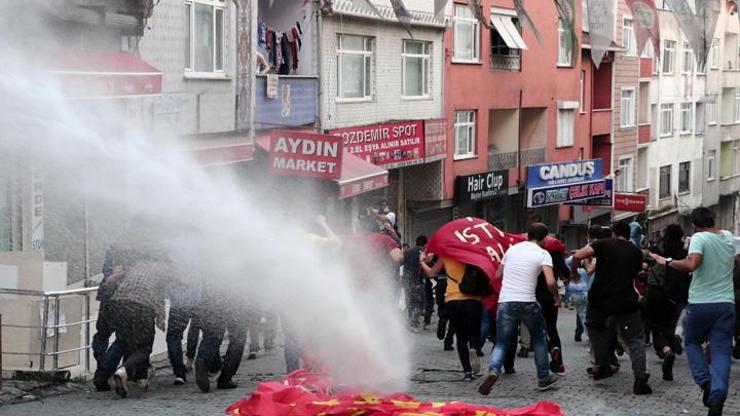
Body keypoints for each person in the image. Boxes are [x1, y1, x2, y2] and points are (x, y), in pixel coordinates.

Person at [650, 208, 736, 416]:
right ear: (712, 221)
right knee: (721, 350)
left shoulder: (699, 237)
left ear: (695, 225)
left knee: (691, 342)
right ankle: (718, 393)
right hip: (726, 304)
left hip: (701, 303)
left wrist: (668, 262)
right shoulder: (728, 237)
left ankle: (705, 383)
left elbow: (692, 264)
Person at [478, 223, 560, 395]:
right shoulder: (543, 253)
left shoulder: (512, 250)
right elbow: (551, 281)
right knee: (539, 339)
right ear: (544, 238)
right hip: (528, 302)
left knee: (501, 341)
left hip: (506, 302)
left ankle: (493, 370)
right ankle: (543, 377)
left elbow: (498, 274)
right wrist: (556, 296)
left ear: (528, 236)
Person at [572, 222, 652, 395]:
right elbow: (636, 272)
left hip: (601, 301)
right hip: (626, 301)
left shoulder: (604, 243)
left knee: (596, 330)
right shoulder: (635, 251)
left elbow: (579, 254)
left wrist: (574, 272)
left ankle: (602, 365)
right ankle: (640, 380)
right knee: (636, 340)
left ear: (614, 234)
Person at [422, 256, 483, 380]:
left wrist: (421, 262)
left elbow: (431, 273)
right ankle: (474, 348)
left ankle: (467, 372)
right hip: (473, 299)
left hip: (452, 299)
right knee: (475, 333)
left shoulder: (446, 256)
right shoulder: (475, 254)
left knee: (461, 337)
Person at [644, 224, 690, 381]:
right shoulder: (684, 253)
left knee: (656, 326)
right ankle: (672, 345)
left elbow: (645, 263)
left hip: (656, 292)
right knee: (669, 326)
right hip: (675, 296)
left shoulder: (658, 250)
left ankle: (666, 350)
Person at [92, 245, 126, 392]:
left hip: (107, 296)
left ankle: (101, 365)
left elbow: (106, 270)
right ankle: (104, 372)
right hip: (123, 298)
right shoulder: (132, 250)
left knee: (102, 334)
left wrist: (110, 279)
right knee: (122, 338)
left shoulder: (113, 247)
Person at [166, 281, 202, 385]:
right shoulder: (199, 265)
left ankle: (179, 374)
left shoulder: (173, 264)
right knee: (203, 331)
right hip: (197, 302)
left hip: (178, 303)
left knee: (173, 337)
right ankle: (200, 362)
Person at [403, 236, 428, 330]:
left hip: (407, 280)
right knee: (420, 303)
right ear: (424, 244)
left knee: (411, 302)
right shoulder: (419, 253)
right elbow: (416, 269)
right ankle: (412, 323)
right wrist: (417, 282)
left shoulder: (408, 252)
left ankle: (412, 322)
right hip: (416, 281)